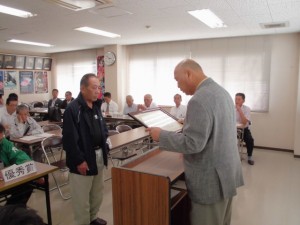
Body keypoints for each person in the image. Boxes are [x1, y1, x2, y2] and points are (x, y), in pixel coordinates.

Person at [147, 59, 244, 225]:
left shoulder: (199, 99)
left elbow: (193, 143)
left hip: (211, 180)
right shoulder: (221, 92)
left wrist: (160, 135)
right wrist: (191, 123)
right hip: (226, 174)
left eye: (178, 80)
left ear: (188, 74)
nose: (178, 86)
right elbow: (217, 127)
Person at [63, 73, 108, 225]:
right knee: (81, 198)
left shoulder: (96, 106)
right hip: (82, 159)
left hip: (99, 155)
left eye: (99, 88)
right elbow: (69, 140)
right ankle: (83, 222)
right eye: (94, 88)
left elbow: (103, 129)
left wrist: (105, 145)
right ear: (83, 88)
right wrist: (79, 160)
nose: (98, 91)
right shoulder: (73, 109)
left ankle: (93, 218)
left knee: (97, 193)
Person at [0, 123, 34, 207]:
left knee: (28, 184)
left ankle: (9, 213)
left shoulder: (4, 143)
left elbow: (19, 156)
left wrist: (25, 163)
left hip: (4, 180)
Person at [235, 93, 255, 165]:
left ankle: (249, 157)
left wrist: (239, 110)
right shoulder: (231, 108)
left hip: (244, 130)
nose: (236, 101)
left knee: (250, 140)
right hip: (233, 129)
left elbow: (244, 122)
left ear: (243, 101)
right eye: (236, 99)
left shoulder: (247, 109)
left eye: (239, 99)